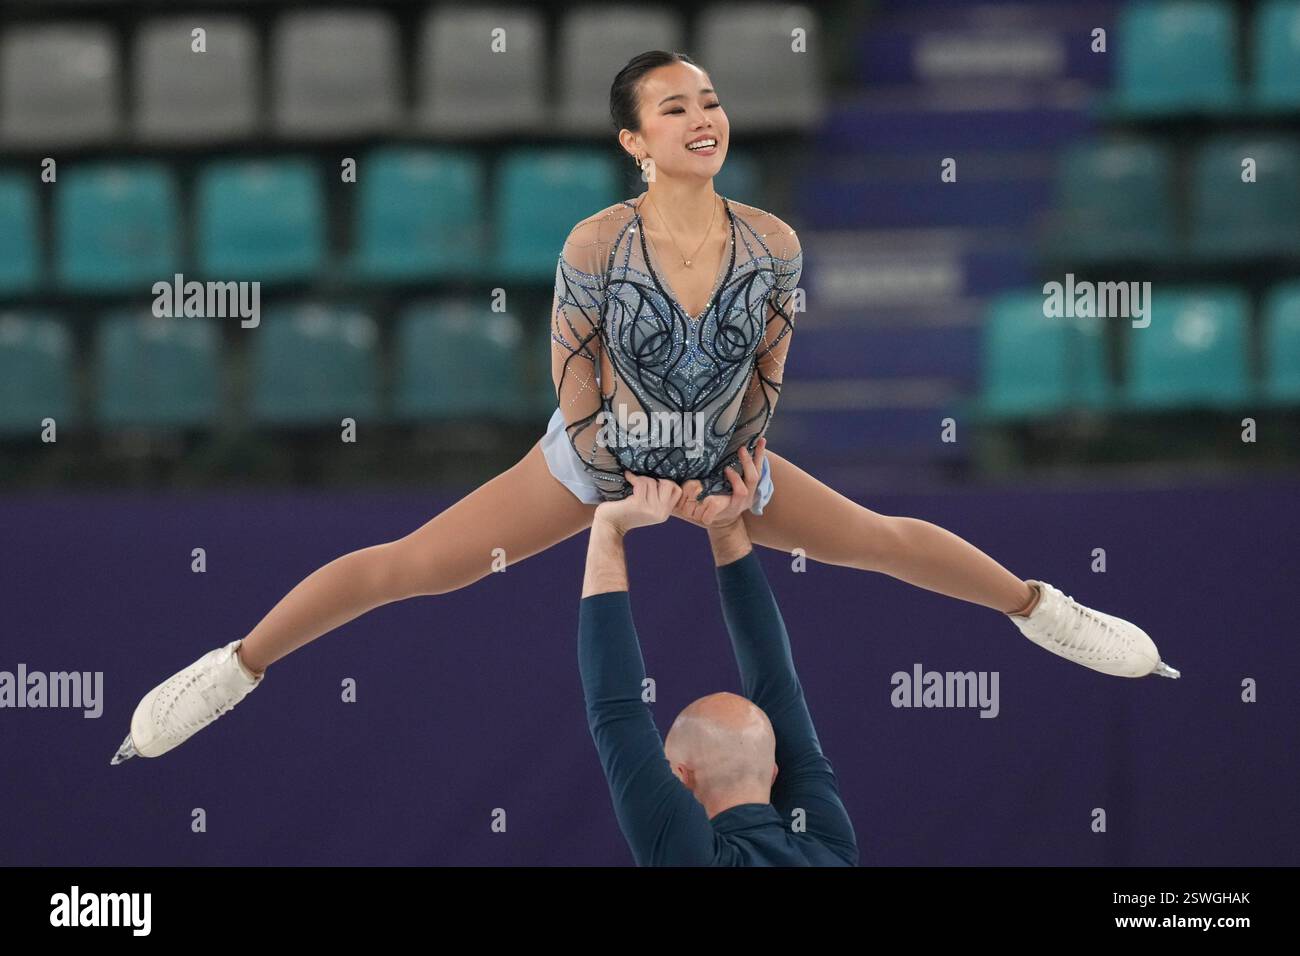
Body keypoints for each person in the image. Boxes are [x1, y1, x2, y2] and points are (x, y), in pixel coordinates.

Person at [112, 51, 1176, 767]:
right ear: (635, 141)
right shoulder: (594, 244)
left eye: (709, 101)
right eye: (677, 108)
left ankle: (1042, 611)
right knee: (407, 566)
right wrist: (626, 476)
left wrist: (735, 461)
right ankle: (233, 666)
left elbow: (765, 369)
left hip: (720, 453)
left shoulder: (772, 242)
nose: (703, 116)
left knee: (878, 540)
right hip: (600, 457)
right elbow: (572, 390)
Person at [578, 445, 857, 865]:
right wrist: (725, 525)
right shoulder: (828, 847)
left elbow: (618, 711)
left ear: (681, 778)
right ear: (775, 773)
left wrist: (609, 525)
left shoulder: (692, 856)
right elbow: (615, 712)